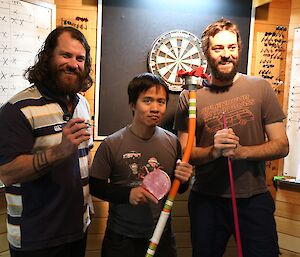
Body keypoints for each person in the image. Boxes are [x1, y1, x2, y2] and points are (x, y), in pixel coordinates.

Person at [174, 18, 289, 257]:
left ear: (239, 49)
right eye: (218, 48)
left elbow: (281, 145)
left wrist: (242, 152)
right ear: (207, 52)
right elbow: (186, 153)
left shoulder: (261, 88)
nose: (226, 54)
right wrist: (214, 151)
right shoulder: (191, 96)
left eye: (231, 47)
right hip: (207, 201)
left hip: (253, 200)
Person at [0, 26, 94, 257]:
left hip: (77, 230)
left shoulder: (82, 104)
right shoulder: (18, 109)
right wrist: (57, 152)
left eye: (80, 58)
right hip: (36, 239)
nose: (73, 64)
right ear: (48, 57)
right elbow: (7, 173)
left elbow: (84, 160)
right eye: (66, 55)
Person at [89, 72, 193, 257]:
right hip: (121, 239)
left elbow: (178, 187)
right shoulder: (112, 144)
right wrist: (128, 194)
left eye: (161, 102)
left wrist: (185, 179)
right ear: (132, 104)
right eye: (147, 101)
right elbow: (95, 186)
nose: (155, 108)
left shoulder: (172, 142)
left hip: (161, 236)